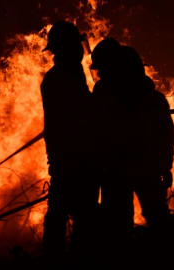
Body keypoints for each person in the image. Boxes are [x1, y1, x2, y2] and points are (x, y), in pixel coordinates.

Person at [91, 40, 174, 255]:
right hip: (142, 168)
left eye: (102, 68)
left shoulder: (104, 95)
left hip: (116, 170)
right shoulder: (152, 98)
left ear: (112, 67)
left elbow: (95, 132)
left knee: (119, 229)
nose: (99, 74)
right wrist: (165, 167)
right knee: (157, 217)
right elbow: (167, 136)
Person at [40, 21, 100, 262]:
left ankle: (68, 258)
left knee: (67, 213)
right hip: (74, 159)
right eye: (76, 45)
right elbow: (68, 121)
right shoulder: (62, 78)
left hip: (75, 158)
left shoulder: (70, 74)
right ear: (68, 48)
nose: (81, 50)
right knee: (72, 214)